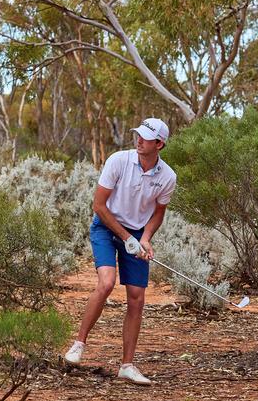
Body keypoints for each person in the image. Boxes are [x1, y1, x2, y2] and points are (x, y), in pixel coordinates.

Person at [64, 118, 177, 385]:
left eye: (146, 138)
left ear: (159, 144)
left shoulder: (168, 177)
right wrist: (126, 238)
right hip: (105, 225)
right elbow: (99, 205)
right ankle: (78, 344)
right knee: (106, 283)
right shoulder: (118, 160)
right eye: (138, 135)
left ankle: (127, 365)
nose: (139, 140)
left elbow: (158, 214)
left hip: (137, 233)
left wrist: (145, 239)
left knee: (137, 297)